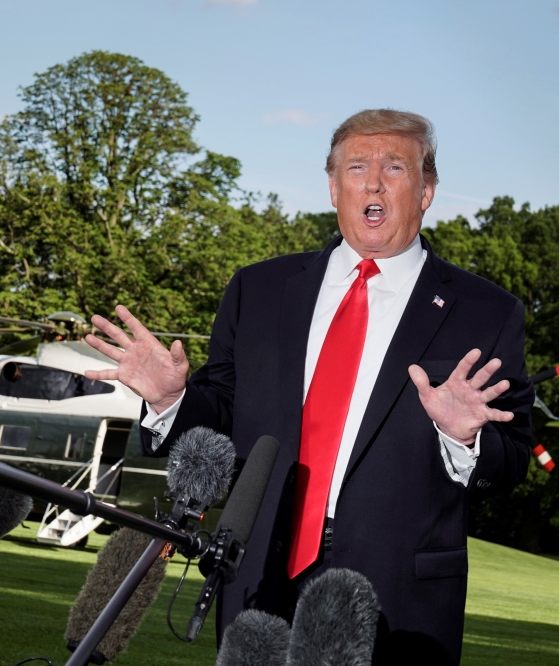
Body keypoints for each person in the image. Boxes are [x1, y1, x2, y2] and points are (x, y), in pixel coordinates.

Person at [85, 109, 534, 664]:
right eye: (356, 167)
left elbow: (512, 462)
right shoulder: (259, 289)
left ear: (426, 191)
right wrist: (171, 400)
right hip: (257, 569)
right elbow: (223, 415)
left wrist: (464, 440)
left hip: (398, 592)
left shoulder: (486, 312)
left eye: (394, 167)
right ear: (332, 186)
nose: (372, 182)